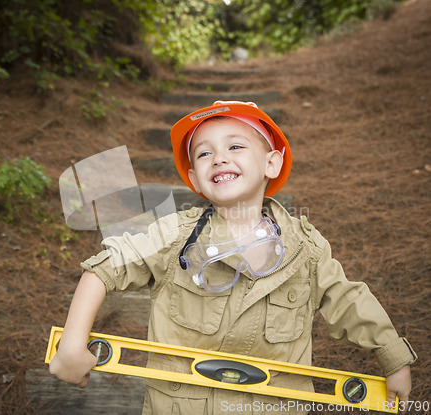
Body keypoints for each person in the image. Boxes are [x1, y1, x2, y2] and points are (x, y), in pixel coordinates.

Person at [49, 101, 417, 414]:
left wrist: (393, 358)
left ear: (272, 164)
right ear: (194, 177)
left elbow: (350, 301)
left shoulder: (306, 247)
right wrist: (72, 344)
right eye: (204, 152)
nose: (219, 157)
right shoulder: (174, 235)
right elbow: (103, 269)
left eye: (236, 147)